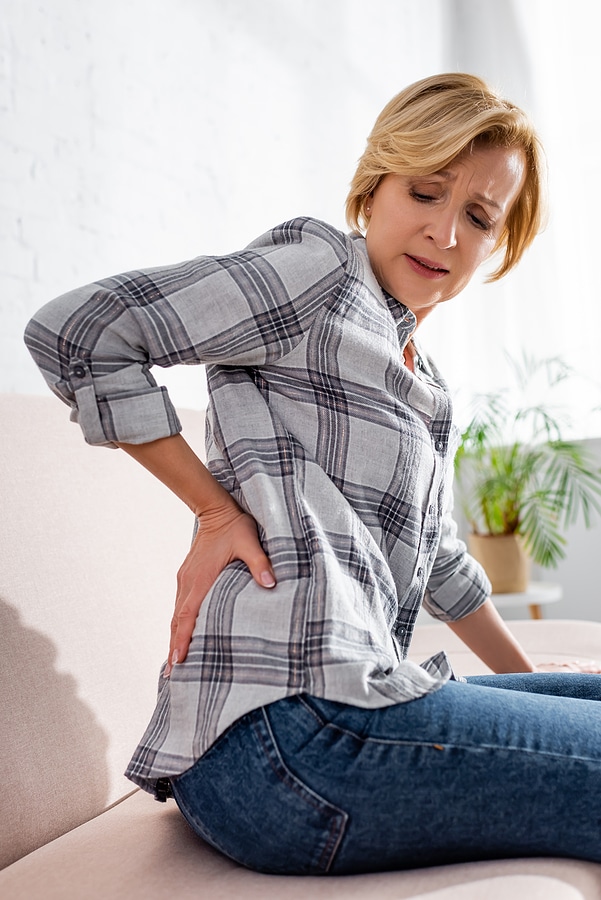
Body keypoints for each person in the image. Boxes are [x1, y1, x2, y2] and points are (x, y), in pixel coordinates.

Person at [25, 73, 601, 876]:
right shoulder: (318, 275)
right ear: (374, 188)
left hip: (340, 712)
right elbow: (77, 332)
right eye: (424, 193)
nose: (442, 232)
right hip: (287, 741)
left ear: (494, 243)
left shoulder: (420, 378)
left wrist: (524, 683)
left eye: (475, 216)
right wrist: (215, 513)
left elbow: (435, 558)